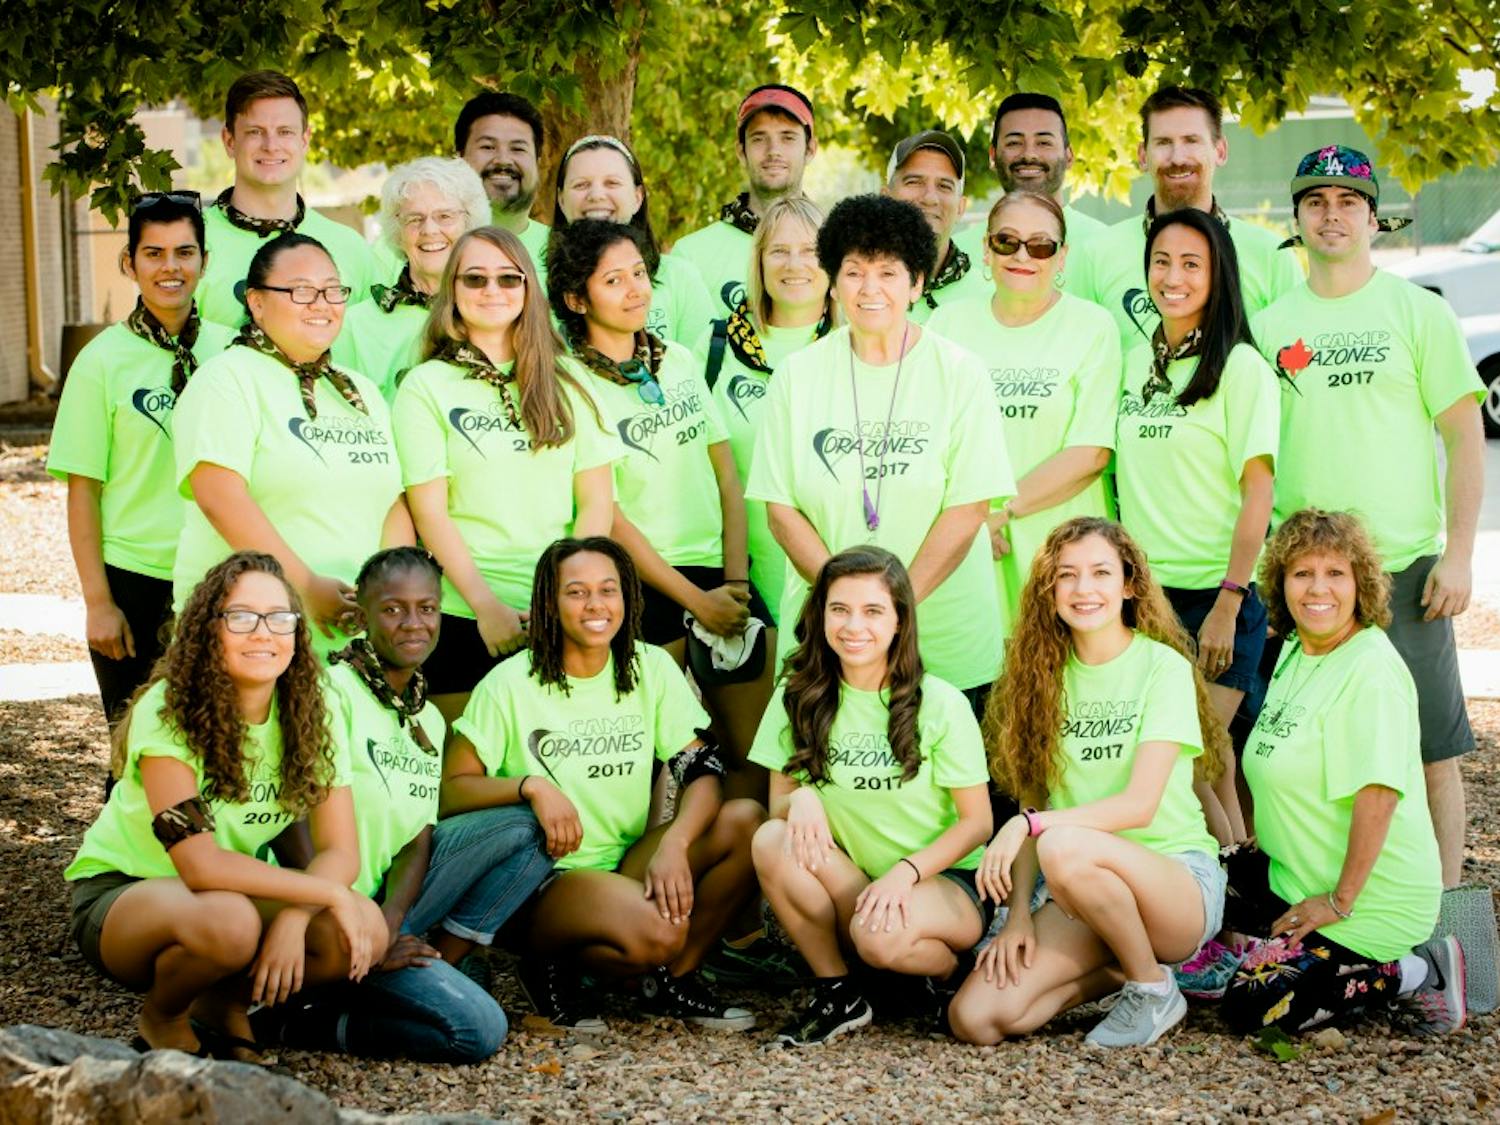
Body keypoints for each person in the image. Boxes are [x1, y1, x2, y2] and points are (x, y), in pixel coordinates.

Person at [1250, 146, 1486, 889]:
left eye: (1348, 201)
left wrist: (1459, 554)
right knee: (1304, 751)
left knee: (1427, 752)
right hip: (1305, 578)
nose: (1332, 214)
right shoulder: (1268, 325)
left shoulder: (1418, 311)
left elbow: (1462, 434)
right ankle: (1323, 904)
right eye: (1316, 201)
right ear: (1296, 218)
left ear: (1373, 216)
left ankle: (1447, 921)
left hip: (1405, 569)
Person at [63, 552, 388, 1058]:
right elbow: (200, 864)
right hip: (124, 894)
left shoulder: (313, 711)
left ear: (297, 632)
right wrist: (326, 893)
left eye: (280, 618)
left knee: (362, 926)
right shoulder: (170, 710)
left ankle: (219, 1004)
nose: (263, 632)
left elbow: (341, 851)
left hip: (219, 895)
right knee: (230, 922)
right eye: (241, 617)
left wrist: (299, 913)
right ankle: (163, 1018)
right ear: (208, 630)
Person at [439, 537, 764, 1032]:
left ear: (627, 597)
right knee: (656, 932)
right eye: (576, 592)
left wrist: (675, 842)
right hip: (545, 878)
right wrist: (530, 786)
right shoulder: (509, 684)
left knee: (747, 823)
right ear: (548, 602)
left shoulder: (648, 667)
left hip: (624, 858)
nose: (596, 605)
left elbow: (702, 770)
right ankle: (549, 965)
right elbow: (452, 790)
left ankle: (671, 981)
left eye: (608, 590)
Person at [260, 547, 554, 1062]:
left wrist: (390, 924)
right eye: (393, 609)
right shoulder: (331, 694)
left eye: (427, 608)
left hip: (380, 909)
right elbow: (291, 821)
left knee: (530, 828)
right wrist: (354, 921)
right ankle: (295, 1015)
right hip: (319, 908)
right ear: (362, 616)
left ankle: (405, 966)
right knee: (477, 1031)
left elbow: (417, 839)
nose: (413, 623)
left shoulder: (428, 720)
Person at [946, 518, 1228, 1048]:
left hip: (1174, 883)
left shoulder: (1160, 666)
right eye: (1067, 575)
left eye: (1100, 572)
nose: (1083, 589)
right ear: (1049, 590)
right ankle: (1126, 969)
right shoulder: (1039, 679)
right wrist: (1016, 918)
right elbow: (1034, 803)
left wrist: (1029, 826)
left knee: (1063, 844)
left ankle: (1151, 987)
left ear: (1129, 584)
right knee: (977, 1018)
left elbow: (1139, 806)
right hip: (1081, 890)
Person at [747, 194, 1014, 712]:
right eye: (854, 272)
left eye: (889, 273)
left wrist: (891, 610)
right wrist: (850, 614)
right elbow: (780, 508)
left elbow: (968, 509)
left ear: (916, 283)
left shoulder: (960, 374)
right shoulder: (796, 378)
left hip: (946, 640)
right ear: (833, 279)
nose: (870, 289)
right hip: (833, 645)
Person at [548, 219, 775, 789]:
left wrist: (735, 583)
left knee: (755, 754)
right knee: (664, 766)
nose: (635, 290)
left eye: (640, 274)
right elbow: (611, 514)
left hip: (723, 579)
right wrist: (695, 600)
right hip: (645, 584)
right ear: (577, 299)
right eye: (614, 280)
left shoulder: (676, 358)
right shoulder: (566, 381)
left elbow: (726, 474)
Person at [1220, 508, 1461, 1035]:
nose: (1317, 589)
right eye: (1302, 573)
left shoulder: (1370, 671)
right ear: (1281, 583)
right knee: (1191, 887)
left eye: (1335, 573)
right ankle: (1274, 944)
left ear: (1360, 583)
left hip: (1368, 899)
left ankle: (1416, 969)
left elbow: (1378, 797)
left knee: (1252, 1007)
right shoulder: (1294, 652)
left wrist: (1338, 901)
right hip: (1295, 871)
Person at [749, 548, 993, 1047]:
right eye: (839, 609)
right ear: (819, 617)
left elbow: (977, 824)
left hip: (942, 884)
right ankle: (839, 992)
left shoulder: (941, 702)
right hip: (853, 881)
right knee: (771, 839)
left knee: (879, 936)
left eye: (873, 611)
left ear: (901, 620)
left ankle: (946, 976)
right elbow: (778, 806)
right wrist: (800, 800)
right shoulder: (796, 695)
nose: (853, 625)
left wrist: (906, 874)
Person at [393, 226, 616, 723]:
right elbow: (429, 512)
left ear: (527, 289)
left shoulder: (570, 379)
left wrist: (563, 599)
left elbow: (597, 503)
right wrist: (484, 606)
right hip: (462, 614)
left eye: (507, 279)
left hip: (563, 614)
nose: (492, 291)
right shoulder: (425, 386)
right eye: (475, 279)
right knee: (467, 780)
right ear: (452, 289)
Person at [1114, 208, 1279, 844]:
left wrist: (1229, 603)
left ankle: (1240, 904)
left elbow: (1258, 495)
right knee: (1205, 763)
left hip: (1219, 597)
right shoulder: (1134, 363)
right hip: (1146, 600)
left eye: (1192, 263)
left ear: (1219, 275)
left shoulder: (1241, 369)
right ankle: (1239, 917)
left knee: (1199, 763)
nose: (1173, 276)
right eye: (1162, 261)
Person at [173, 232, 411, 658]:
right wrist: (302, 585)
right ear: (256, 302)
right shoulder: (227, 378)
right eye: (300, 291)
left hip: (351, 641)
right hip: (247, 635)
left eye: (332, 290)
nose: (321, 303)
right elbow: (219, 495)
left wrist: (384, 597)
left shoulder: (361, 391)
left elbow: (392, 501)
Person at [48, 192, 234, 729]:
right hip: (133, 578)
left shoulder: (234, 352)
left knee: (214, 742)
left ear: (205, 261)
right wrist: (97, 603)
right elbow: (83, 490)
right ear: (129, 263)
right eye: (153, 254)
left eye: (184, 252)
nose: (170, 267)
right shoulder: (99, 361)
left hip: (217, 573)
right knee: (133, 747)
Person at [928, 192, 1120, 635]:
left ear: (1062, 256)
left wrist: (1000, 512)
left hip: (1065, 559)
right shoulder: (947, 327)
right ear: (986, 249)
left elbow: (1091, 453)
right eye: (1006, 241)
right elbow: (933, 443)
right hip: (970, 548)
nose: (1022, 256)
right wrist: (973, 522)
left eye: (1040, 246)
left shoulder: (1092, 326)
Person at [694, 195, 836, 627]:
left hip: (833, 580)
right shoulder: (714, 348)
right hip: (738, 584)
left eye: (810, 251)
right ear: (758, 262)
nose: (794, 264)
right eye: (779, 250)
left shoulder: (856, 348)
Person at [1070, 86, 1302, 349]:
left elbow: (1296, 366)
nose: (1177, 158)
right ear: (1143, 156)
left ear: (1220, 151)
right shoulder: (1097, 255)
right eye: (1163, 143)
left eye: (1191, 141)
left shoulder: (1271, 255)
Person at [197, 71, 375, 326]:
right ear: (229, 141)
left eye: (285, 132)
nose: (271, 145)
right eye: (255, 132)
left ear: (304, 140)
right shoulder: (190, 244)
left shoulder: (351, 248)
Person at [332, 157, 489, 400]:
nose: (429, 230)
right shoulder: (354, 326)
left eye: (445, 216)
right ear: (398, 232)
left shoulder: (499, 312)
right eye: (415, 219)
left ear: (470, 223)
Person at [551, 134, 714, 347]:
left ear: (638, 197)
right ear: (561, 200)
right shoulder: (527, 283)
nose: (597, 195)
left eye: (612, 183)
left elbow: (706, 367)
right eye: (581, 185)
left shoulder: (679, 277)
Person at [672, 84, 817, 314]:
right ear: (741, 151)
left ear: (810, 149)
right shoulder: (690, 255)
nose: (773, 151)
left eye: (787, 137)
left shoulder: (837, 245)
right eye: (759, 138)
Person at [883, 130, 987, 323]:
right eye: (914, 182)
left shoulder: (990, 299)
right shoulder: (856, 289)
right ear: (885, 198)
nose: (930, 198)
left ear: (961, 207)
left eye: (944, 186)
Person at [454, 90, 551, 277]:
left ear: (538, 163)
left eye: (518, 149)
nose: (503, 160)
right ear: (459, 158)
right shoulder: (415, 249)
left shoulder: (566, 255)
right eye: (488, 147)